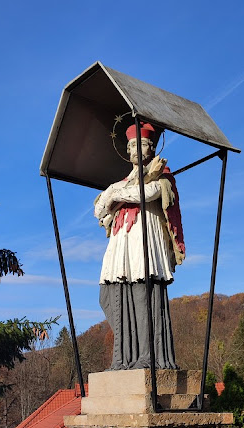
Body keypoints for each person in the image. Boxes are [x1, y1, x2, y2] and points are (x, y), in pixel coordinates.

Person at [94, 122, 185, 370]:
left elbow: (146, 193)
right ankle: (123, 356)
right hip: (120, 245)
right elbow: (99, 209)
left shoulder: (162, 176)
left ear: (151, 148)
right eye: (132, 145)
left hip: (144, 241)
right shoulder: (123, 182)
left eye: (141, 144)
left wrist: (114, 195)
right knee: (108, 296)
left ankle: (147, 355)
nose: (136, 149)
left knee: (143, 294)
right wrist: (114, 193)